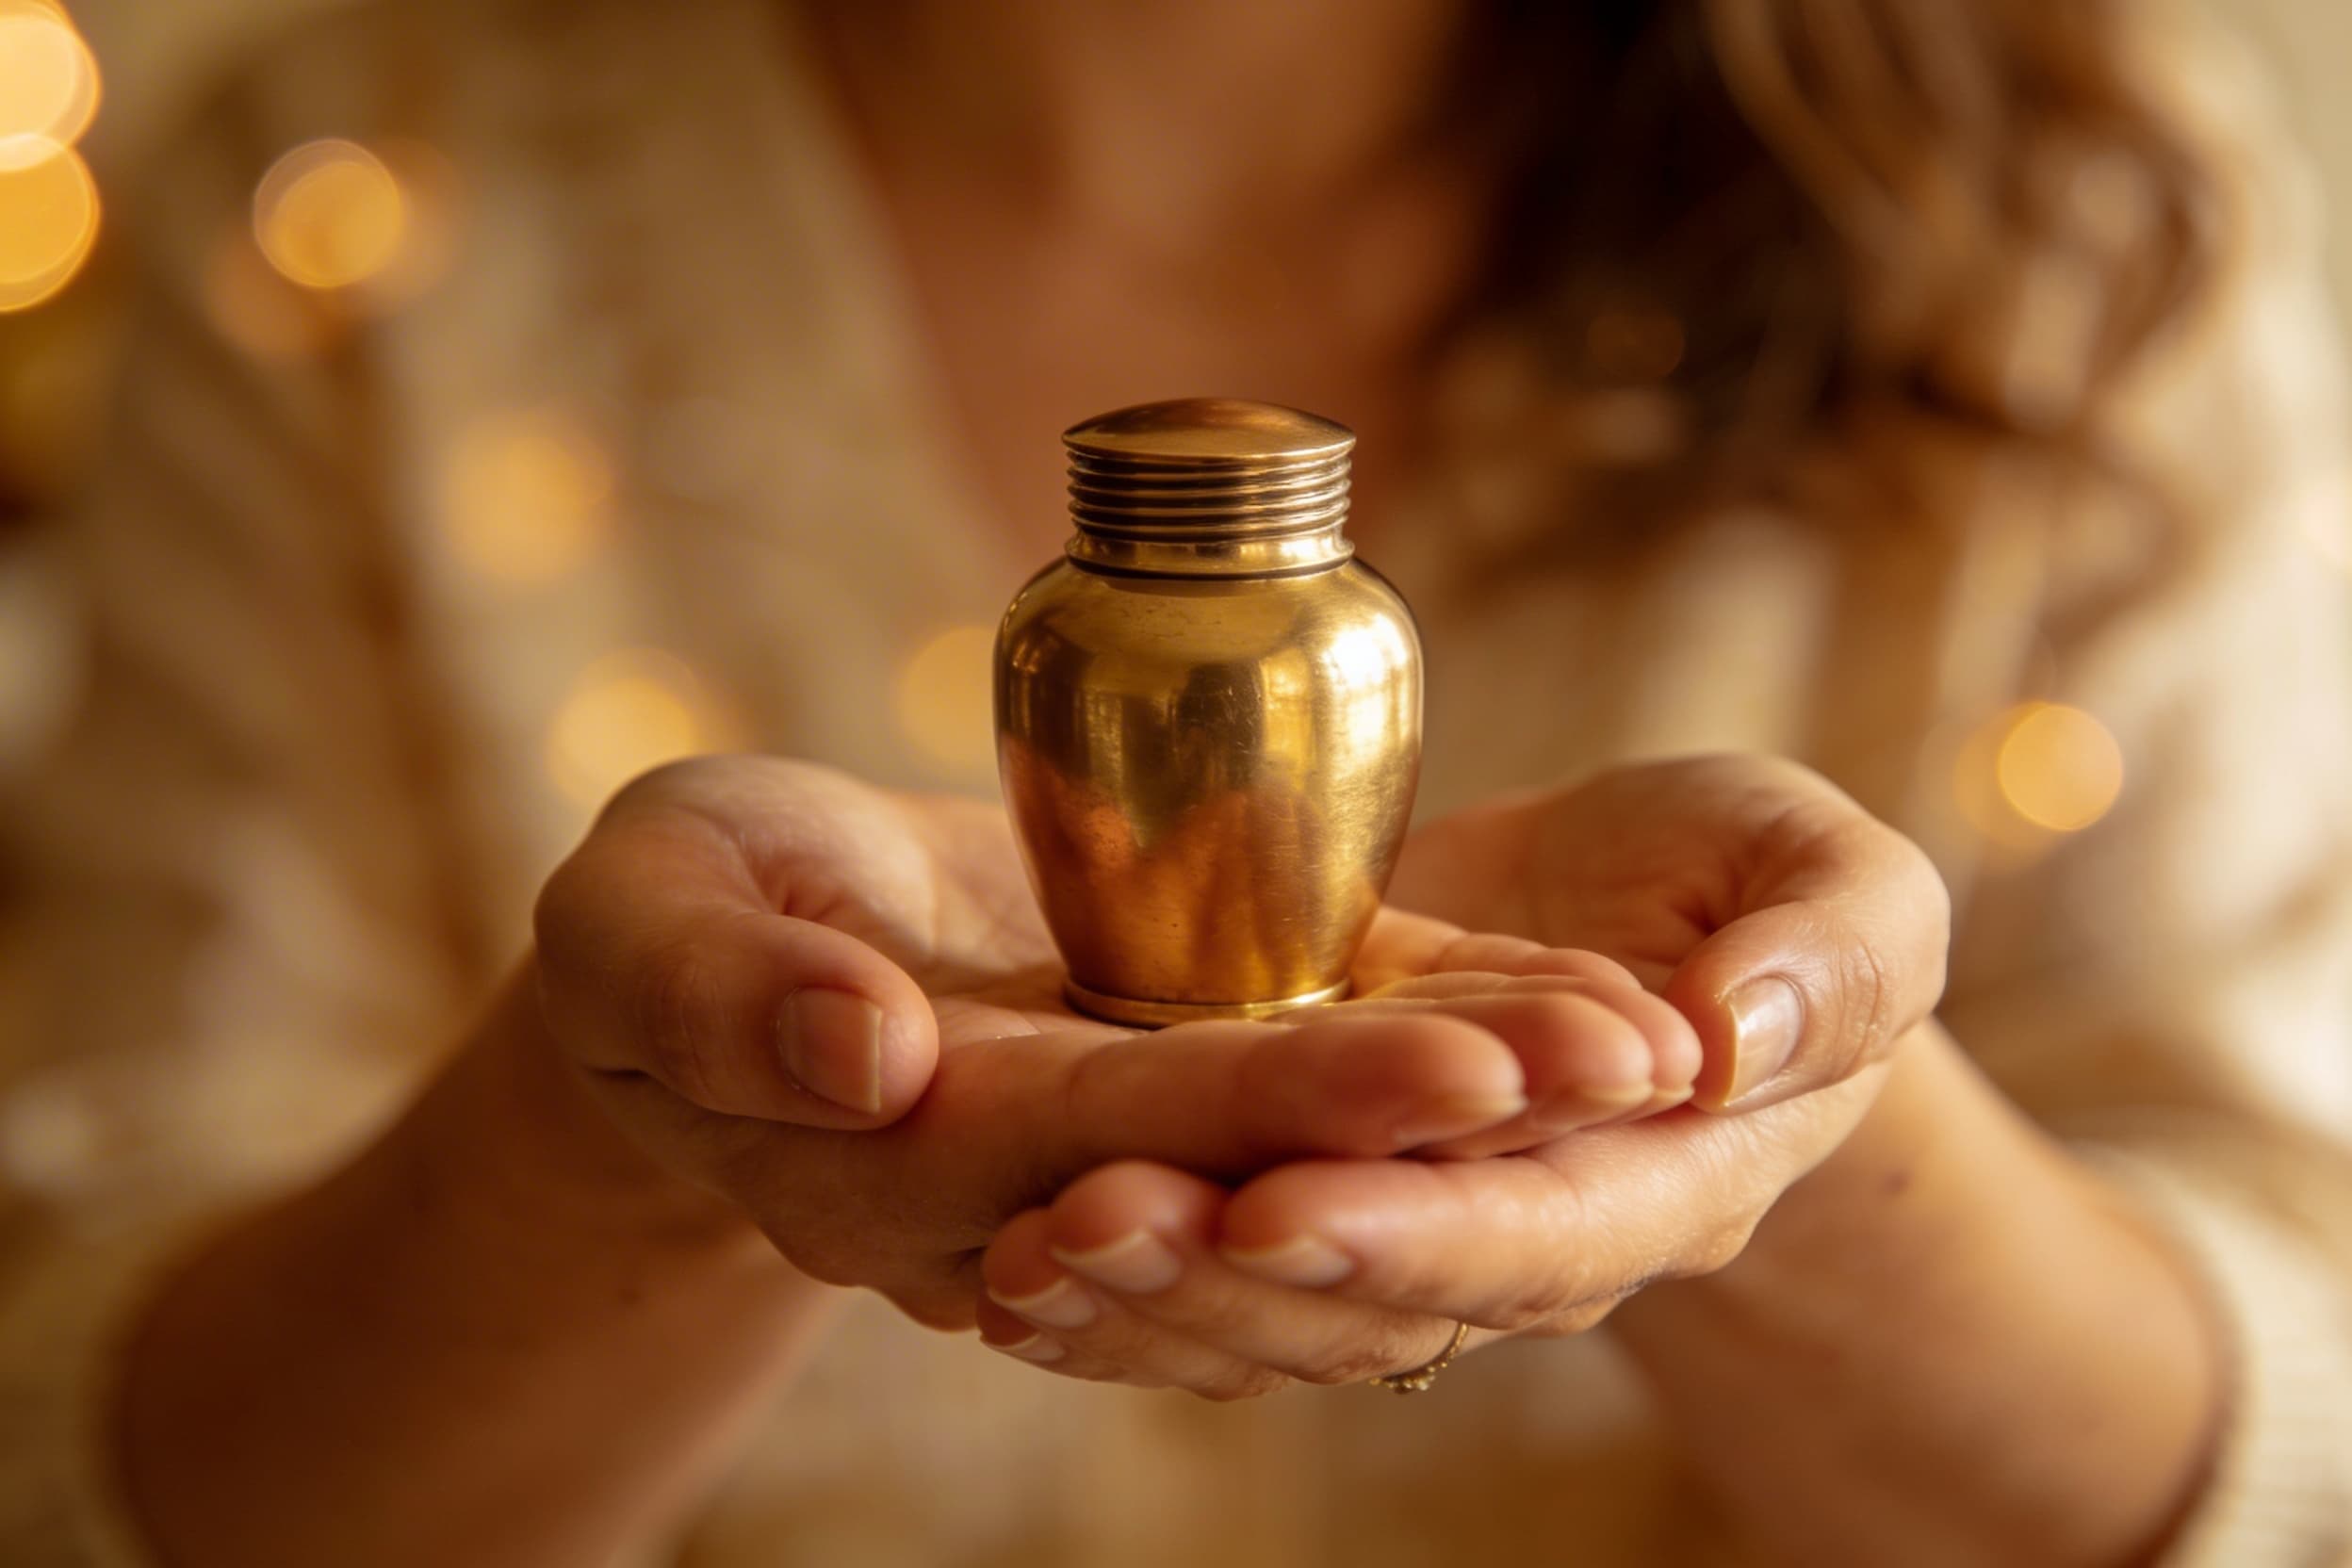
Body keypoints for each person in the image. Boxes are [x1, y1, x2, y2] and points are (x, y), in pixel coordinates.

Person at [4, 0, 2349, 1562]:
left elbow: (2296, 1423)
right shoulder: (361, 193)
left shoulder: (2067, 217)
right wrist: (594, 1140)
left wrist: (1795, 1131)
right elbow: (99, 1451)